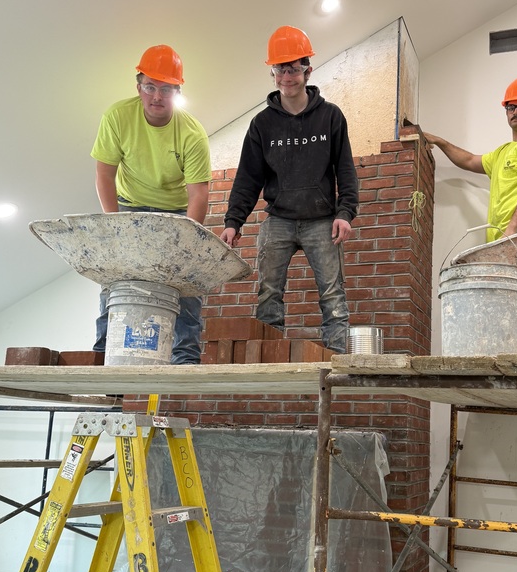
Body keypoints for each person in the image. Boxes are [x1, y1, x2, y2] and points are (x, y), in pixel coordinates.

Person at [220, 26, 359, 354]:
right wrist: (232, 222)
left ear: (307, 71)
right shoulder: (262, 124)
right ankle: (268, 358)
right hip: (278, 219)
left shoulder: (331, 117)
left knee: (333, 295)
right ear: (273, 73)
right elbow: (248, 179)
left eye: (294, 68)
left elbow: (345, 170)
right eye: (280, 68)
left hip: (322, 220)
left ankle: (336, 363)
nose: (287, 75)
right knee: (268, 294)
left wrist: (345, 213)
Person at [91, 44, 211, 364]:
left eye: (167, 89)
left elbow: (198, 193)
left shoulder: (192, 134)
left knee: (186, 278)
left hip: (176, 211)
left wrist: (188, 240)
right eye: (150, 87)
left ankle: (184, 357)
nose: (157, 96)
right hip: (130, 205)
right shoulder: (118, 117)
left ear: (177, 90)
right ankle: (107, 352)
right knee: (115, 277)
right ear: (138, 86)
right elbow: (104, 174)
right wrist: (114, 226)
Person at [425, 78, 517, 242]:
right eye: (511, 107)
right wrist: (441, 142)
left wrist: (512, 228)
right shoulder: (502, 152)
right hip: (506, 232)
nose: (516, 112)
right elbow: (469, 160)